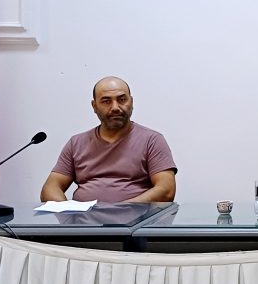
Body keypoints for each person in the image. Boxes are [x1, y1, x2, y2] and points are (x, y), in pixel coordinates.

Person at [40, 77, 177, 203]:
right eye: (106, 101)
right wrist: (66, 211)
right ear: (94, 106)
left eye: (122, 100)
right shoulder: (76, 143)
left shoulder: (152, 140)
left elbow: (166, 190)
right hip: (84, 220)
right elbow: (50, 188)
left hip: (134, 219)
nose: (115, 107)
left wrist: (120, 210)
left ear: (131, 102)